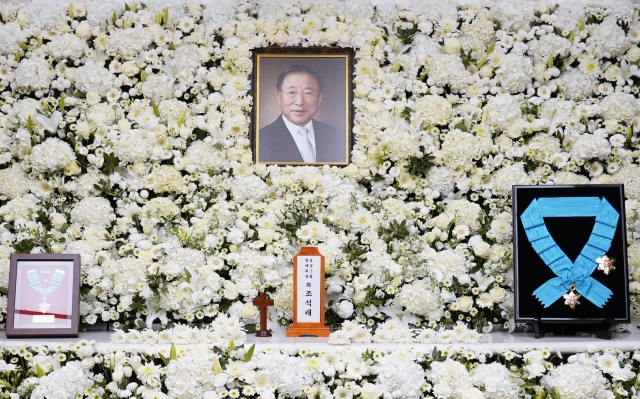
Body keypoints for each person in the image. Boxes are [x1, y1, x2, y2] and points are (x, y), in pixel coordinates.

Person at [258, 64, 346, 163]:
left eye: (308, 93)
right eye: (291, 92)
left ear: (320, 98)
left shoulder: (338, 136)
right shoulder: (260, 140)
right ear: (279, 96)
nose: (299, 102)